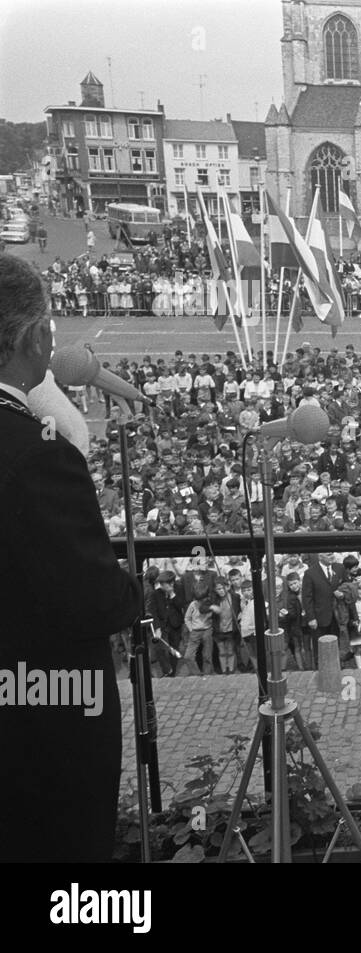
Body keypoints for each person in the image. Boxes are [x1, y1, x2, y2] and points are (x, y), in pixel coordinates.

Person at [0, 254, 140, 862]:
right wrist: (131, 588)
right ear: (35, 338)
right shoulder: (36, 454)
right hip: (40, 712)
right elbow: (96, 600)